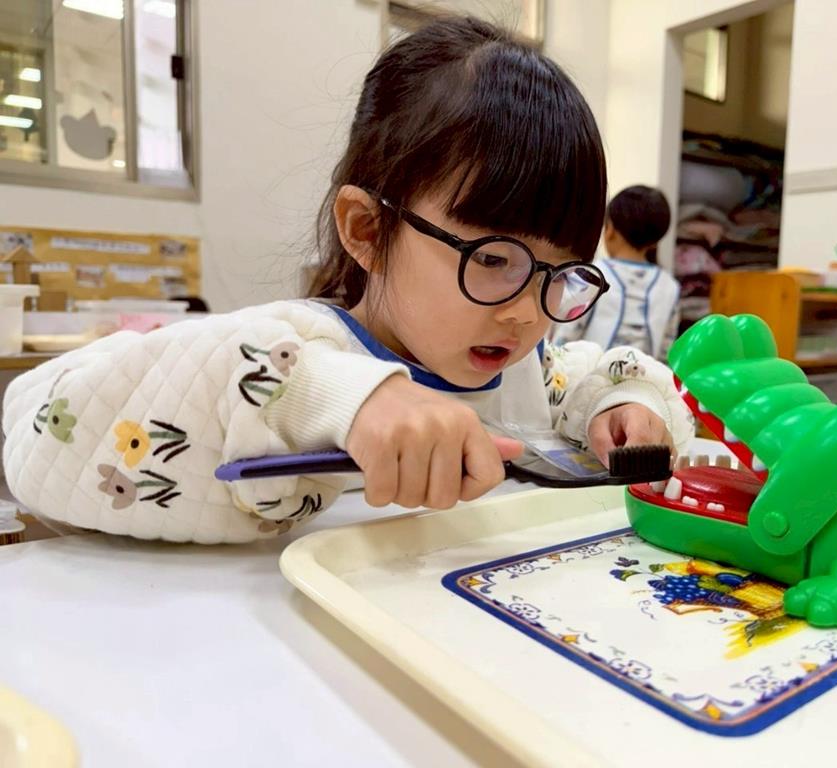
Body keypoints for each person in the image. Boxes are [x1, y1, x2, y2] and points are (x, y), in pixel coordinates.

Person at [1, 18, 693, 544]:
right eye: (492, 259)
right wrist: (327, 399)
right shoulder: (301, 349)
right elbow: (40, 431)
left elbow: (593, 372)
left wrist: (623, 404)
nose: (527, 315)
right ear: (366, 229)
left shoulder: (524, 371)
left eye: (558, 273)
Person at [550, 185, 681, 359]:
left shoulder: (592, 275)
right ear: (656, 240)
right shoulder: (669, 286)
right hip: (646, 376)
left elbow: (567, 333)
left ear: (610, 229)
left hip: (589, 373)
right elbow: (666, 351)